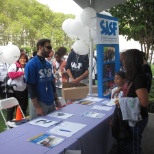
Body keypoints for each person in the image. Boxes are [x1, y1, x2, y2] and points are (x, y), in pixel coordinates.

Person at [115, 49, 149, 154]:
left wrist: (122, 102)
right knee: (129, 144)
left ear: (130, 61)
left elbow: (144, 102)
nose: (123, 62)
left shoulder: (139, 77)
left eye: (125, 60)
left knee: (134, 147)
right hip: (131, 116)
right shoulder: (132, 75)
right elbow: (132, 89)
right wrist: (121, 88)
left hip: (136, 118)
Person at [25, 38, 62, 120]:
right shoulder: (31, 64)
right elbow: (30, 86)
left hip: (51, 101)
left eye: (51, 48)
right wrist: (37, 107)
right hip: (39, 102)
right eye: (48, 47)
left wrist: (56, 99)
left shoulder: (48, 64)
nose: (50, 50)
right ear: (40, 47)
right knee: (38, 130)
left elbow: (51, 83)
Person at [7, 53, 29, 121]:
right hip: (13, 90)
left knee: (23, 107)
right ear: (18, 59)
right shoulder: (14, 66)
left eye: (24, 58)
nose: (23, 60)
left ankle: (20, 122)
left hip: (23, 89)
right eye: (21, 58)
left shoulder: (27, 66)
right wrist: (21, 73)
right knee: (11, 108)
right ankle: (9, 122)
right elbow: (11, 75)